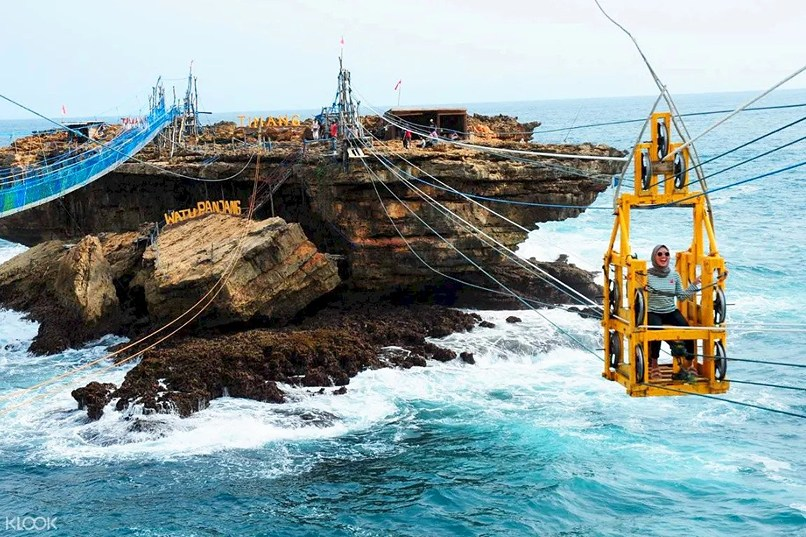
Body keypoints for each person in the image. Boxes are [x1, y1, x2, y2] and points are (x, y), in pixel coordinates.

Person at [645, 244, 700, 381]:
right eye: (660, 254)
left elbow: (681, 296)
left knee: (688, 331)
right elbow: (635, 294)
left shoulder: (674, 275)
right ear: (654, 256)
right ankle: (654, 364)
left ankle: (690, 363)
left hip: (670, 311)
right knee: (656, 333)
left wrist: (694, 285)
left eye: (666, 254)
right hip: (653, 311)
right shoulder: (646, 275)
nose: (663, 257)